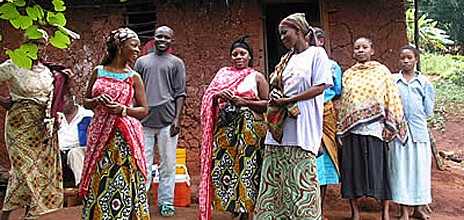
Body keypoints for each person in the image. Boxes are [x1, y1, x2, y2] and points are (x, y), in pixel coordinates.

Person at [254, 13, 333, 219]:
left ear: (298, 31)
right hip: (280, 130)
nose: (282, 38)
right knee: (277, 184)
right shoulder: (286, 59)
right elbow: (279, 85)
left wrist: (289, 100)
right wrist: (276, 96)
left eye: (284, 33)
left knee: (301, 183)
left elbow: (320, 87)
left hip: (302, 128)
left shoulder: (317, 54)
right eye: (280, 35)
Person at [79, 27, 150, 220]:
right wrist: (96, 101)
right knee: (100, 174)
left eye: (139, 47)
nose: (137, 50)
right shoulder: (98, 71)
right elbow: (85, 101)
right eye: (133, 45)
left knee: (122, 177)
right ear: (119, 45)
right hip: (99, 133)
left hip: (123, 137)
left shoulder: (134, 77)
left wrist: (122, 110)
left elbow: (144, 110)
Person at [337, 37, 408, 220]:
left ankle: (385, 212)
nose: (360, 50)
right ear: (353, 52)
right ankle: (355, 213)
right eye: (357, 48)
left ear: (372, 50)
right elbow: (345, 103)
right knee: (352, 170)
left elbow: (392, 97)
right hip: (353, 130)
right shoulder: (348, 74)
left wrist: (390, 126)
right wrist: (340, 130)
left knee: (381, 170)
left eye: (364, 47)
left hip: (376, 129)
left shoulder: (381, 72)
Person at [199, 35, 269, 220]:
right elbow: (209, 96)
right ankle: (233, 208)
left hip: (250, 132)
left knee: (248, 169)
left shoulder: (257, 77)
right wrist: (218, 94)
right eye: (235, 54)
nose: (238, 57)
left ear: (250, 57)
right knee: (227, 167)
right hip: (226, 131)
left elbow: (268, 104)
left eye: (242, 53)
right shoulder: (223, 75)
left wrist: (244, 101)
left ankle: (248, 212)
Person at [0, 29, 64, 219]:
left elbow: (55, 97)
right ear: (24, 44)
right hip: (19, 127)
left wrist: (56, 115)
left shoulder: (48, 71)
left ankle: (23, 215)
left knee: (37, 172)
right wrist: (5, 101)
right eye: (33, 43)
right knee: (25, 170)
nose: (37, 47)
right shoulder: (12, 66)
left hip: (43, 129)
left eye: (41, 43)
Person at [134, 25, 186, 217]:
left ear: (172, 41)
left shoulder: (176, 63)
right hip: (143, 121)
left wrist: (177, 119)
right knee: (143, 164)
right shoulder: (141, 62)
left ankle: (166, 202)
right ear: (153, 39)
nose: (163, 40)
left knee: (168, 163)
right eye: (159, 37)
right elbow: (134, 91)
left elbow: (180, 94)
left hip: (167, 121)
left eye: (167, 38)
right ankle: (140, 201)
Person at [388, 45, 435, 220]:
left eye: (409, 58)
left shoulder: (424, 83)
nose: (406, 61)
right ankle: (404, 211)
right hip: (399, 135)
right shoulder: (393, 81)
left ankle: (419, 208)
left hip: (419, 133)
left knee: (420, 172)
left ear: (416, 59)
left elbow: (428, 109)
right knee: (401, 172)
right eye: (402, 58)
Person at [313, 27, 342, 219]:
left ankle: (320, 210)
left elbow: (337, 90)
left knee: (325, 159)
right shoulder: (300, 63)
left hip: (326, 112)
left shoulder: (332, 66)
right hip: (307, 113)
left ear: (321, 41)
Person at [58, 91, 93, 187]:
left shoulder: (87, 115)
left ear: (71, 99)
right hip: (61, 152)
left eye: (64, 102)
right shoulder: (58, 116)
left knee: (75, 153)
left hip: (80, 150)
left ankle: (81, 186)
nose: (62, 106)